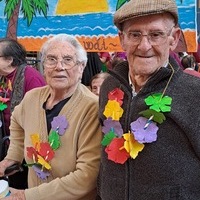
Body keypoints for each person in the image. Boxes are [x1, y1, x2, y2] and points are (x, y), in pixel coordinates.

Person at [97, 0, 200, 199]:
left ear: (173, 38)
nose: (144, 46)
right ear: (122, 39)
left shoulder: (194, 93)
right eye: (135, 34)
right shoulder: (109, 86)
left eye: (156, 35)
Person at [0, 34, 101, 200]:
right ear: (44, 66)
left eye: (68, 60)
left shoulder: (91, 107)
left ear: (81, 66)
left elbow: (87, 176)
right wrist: (13, 156)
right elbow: (17, 121)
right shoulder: (32, 97)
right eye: (51, 59)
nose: (59, 67)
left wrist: (26, 196)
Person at [0, 38, 46, 189]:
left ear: (9, 60)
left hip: (27, 148)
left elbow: (39, 115)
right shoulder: (5, 78)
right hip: (9, 143)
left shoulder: (30, 77)